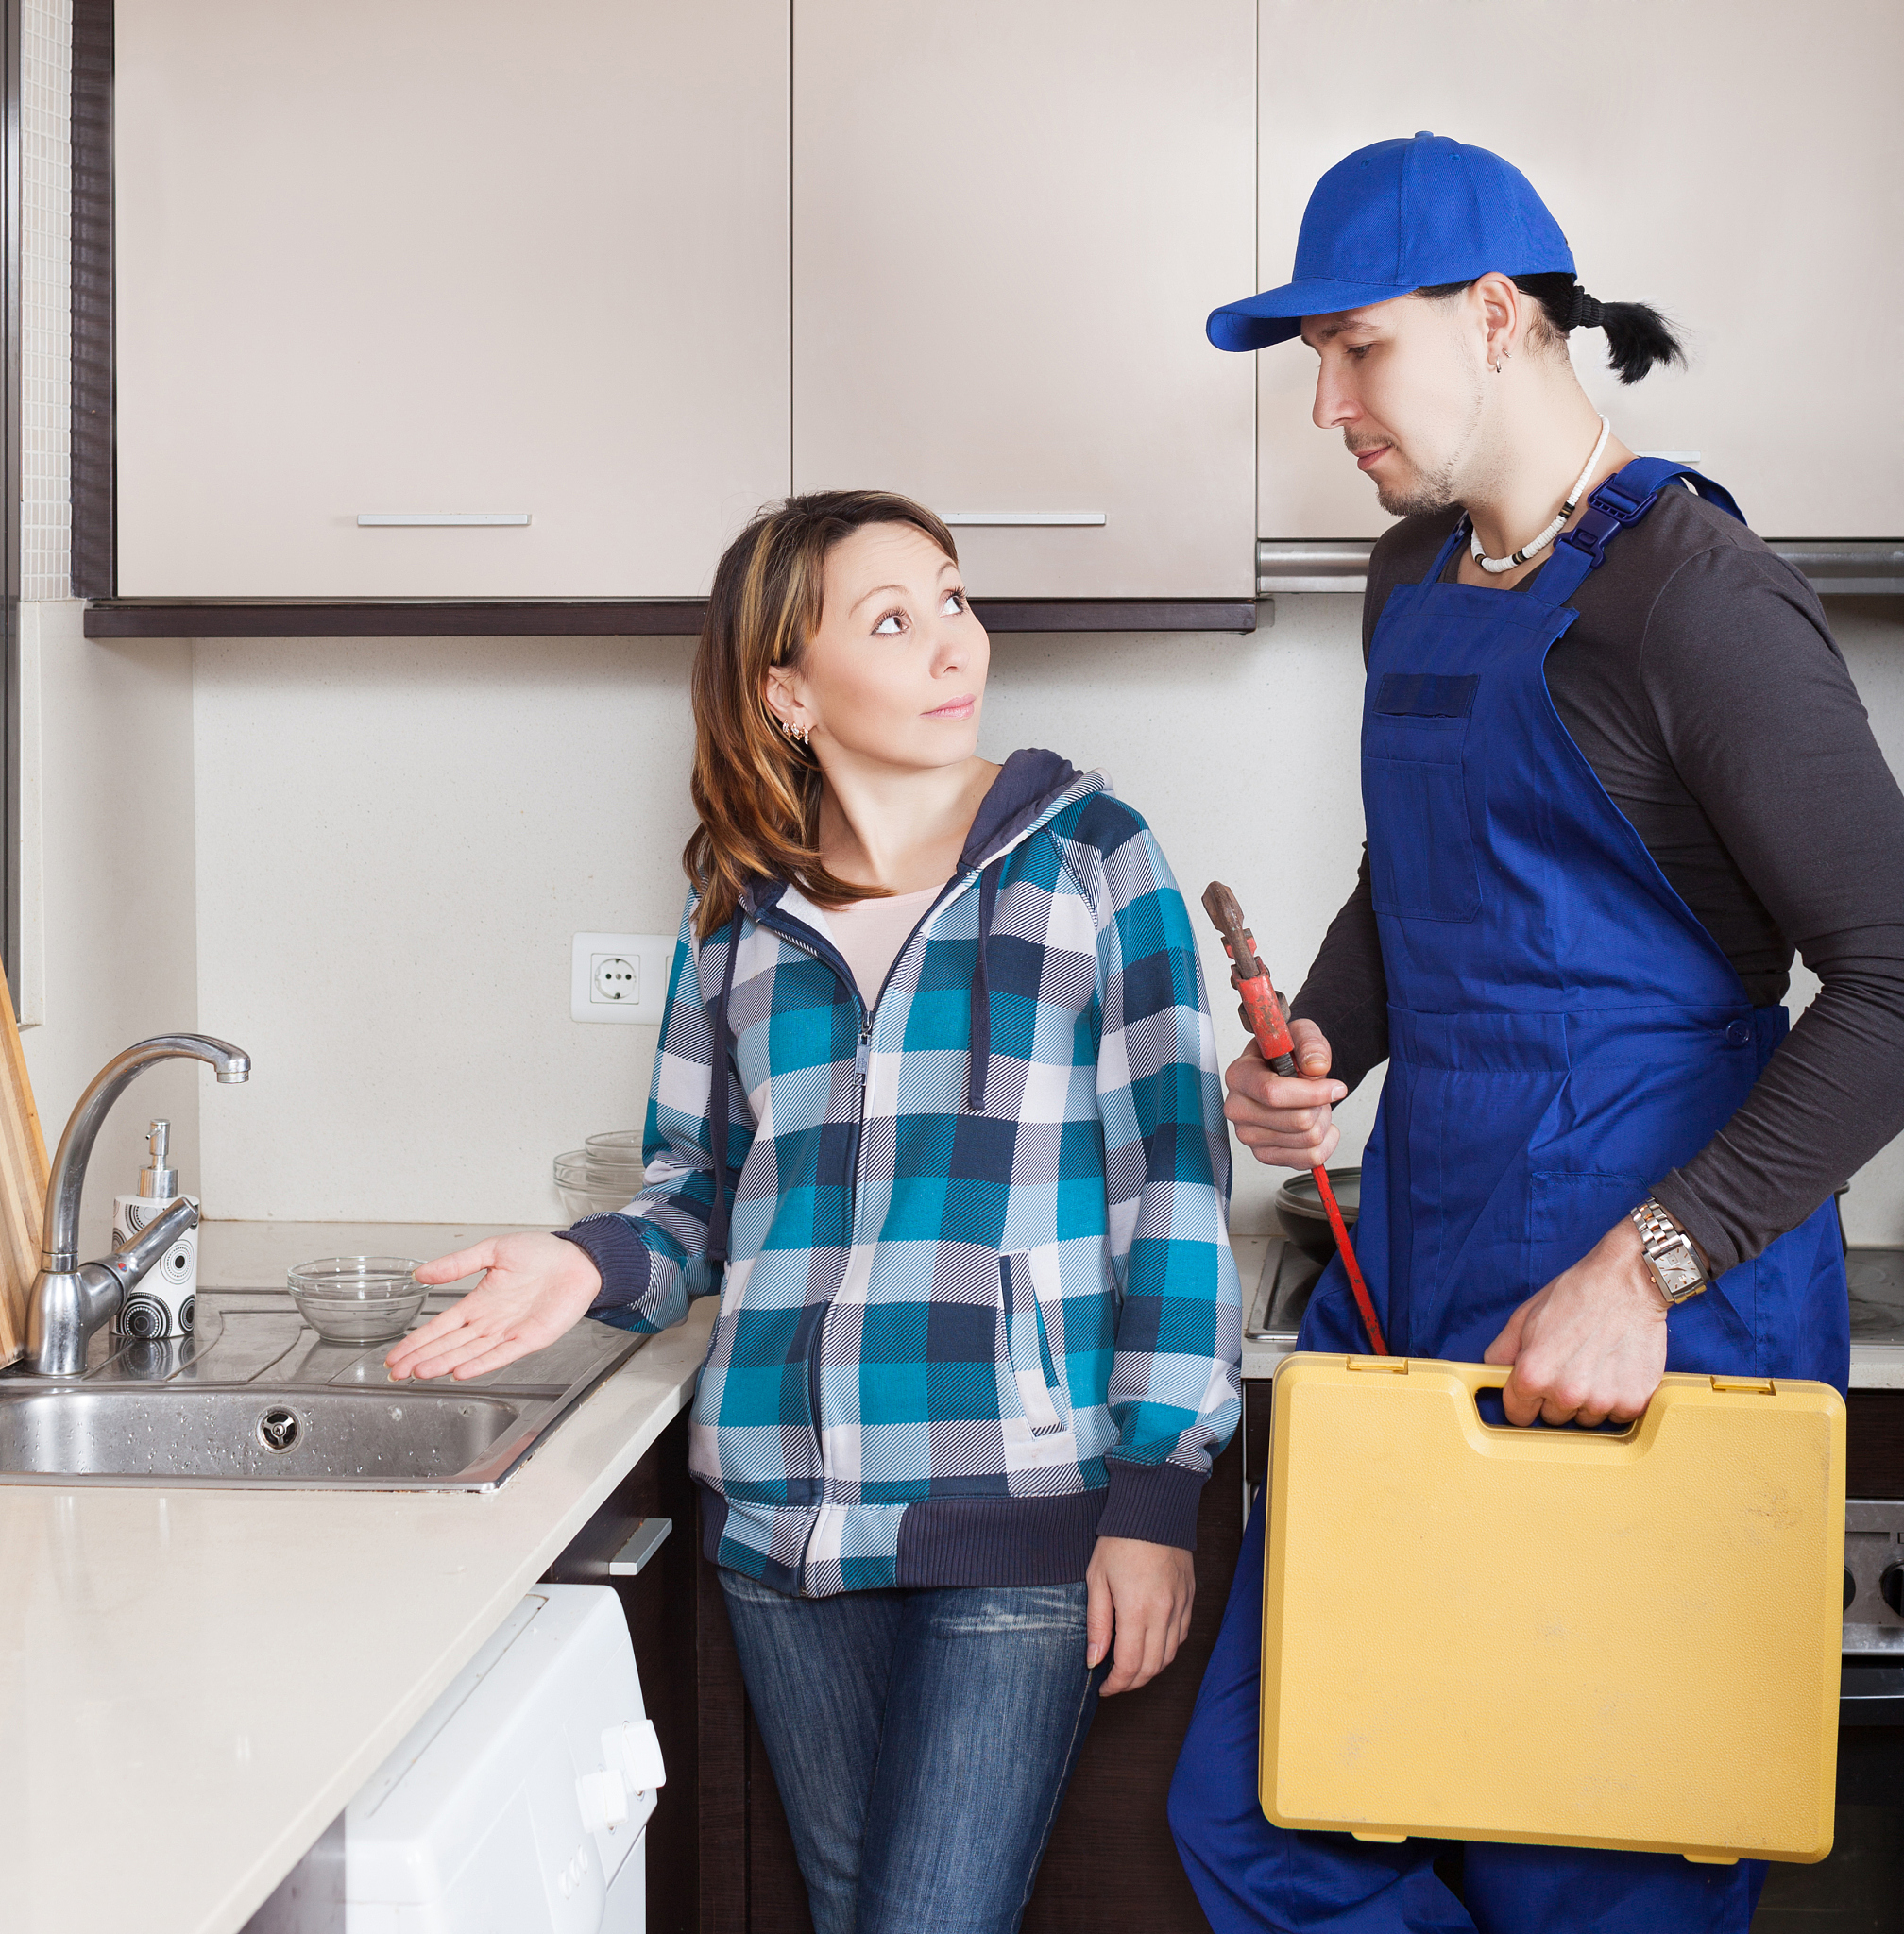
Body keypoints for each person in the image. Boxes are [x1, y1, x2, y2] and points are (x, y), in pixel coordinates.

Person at [1167, 132, 1904, 1933]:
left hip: (1647, 1292)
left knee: (1586, 1862)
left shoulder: (1701, 599)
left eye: (1358, 350)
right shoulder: (1410, 579)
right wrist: (1321, 1038)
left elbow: (1894, 981)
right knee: (1269, 1814)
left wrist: (1643, 1271)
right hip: (1417, 1260)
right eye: (1314, 362)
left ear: (1496, 318)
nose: (1327, 404)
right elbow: (1415, 869)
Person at [385, 489, 1242, 1934]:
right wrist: (585, 1265)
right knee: (855, 1913)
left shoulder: (1095, 862)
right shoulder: (737, 917)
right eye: (892, 620)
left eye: (953, 601)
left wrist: (1159, 1491)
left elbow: (1177, 1185)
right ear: (788, 690)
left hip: (1019, 1505)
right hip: (781, 1519)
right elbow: (694, 1197)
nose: (950, 644)